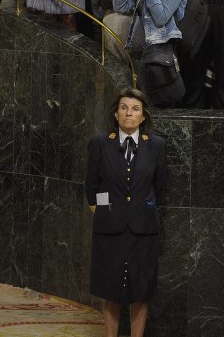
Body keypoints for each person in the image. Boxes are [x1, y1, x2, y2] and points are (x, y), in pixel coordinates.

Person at [85, 88, 167, 337]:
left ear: (143, 117)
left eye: (135, 109)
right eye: (123, 107)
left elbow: (160, 187)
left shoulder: (156, 145)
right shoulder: (100, 143)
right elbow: (92, 185)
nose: (128, 113)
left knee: (140, 291)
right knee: (110, 290)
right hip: (109, 230)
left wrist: (145, 209)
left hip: (143, 230)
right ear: (115, 113)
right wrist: (106, 211)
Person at [113, 0, 188, 106]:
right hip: (142, 55)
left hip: (161, 55)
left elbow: (161, 17)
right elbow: (121, 7)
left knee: (160, 111)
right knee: (146, 111)